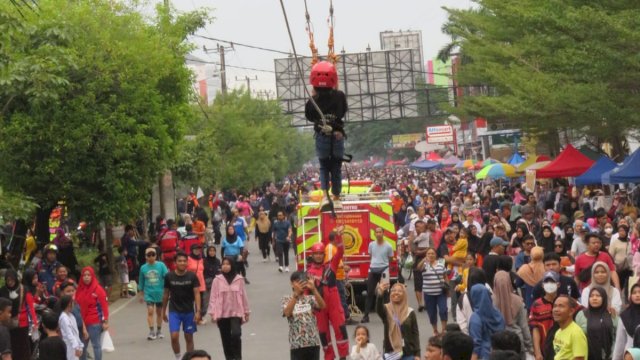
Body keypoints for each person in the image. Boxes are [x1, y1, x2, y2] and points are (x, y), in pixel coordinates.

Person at [305, 61, 348, 209]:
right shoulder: (340, 96)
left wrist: (314, 96)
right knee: (336, 166)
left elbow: (310, 116)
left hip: (322, 136)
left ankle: (325, 196)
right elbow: (343, 112)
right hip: (337, 136)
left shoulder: (313, 101)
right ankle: (336, 198)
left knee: (324, 166)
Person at [307, 228, 350, 360]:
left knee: (340, 330)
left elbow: (340, 251)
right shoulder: (308, 272)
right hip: (319, 308)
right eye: (316, 253)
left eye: (321, 253)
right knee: (324, 335)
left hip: (334, 304)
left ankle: (343, 356)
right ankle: (329, 357)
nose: (319, 256)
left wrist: (339, 238)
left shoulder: (331, 266)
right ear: (312, 255)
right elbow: (305, 293)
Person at [208, 257, 251, 360]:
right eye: (223, 264)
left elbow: (243, 295)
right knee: (225, 338)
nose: (225, 266)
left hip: (236, 312)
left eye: (228, 264)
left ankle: (237, 357)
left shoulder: (239, 279)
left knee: (236, 334)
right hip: (222, 313)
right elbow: (213, 297)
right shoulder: (217, 280)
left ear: (232, 265)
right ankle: (229, 357)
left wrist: (247, 311)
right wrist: (212, 312)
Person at [162, 252, 201, 360]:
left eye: (184, 261)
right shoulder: (169, 276)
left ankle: (189, 358)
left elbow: (197, 293)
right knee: (174, 337)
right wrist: (163, 311)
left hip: (188, 311)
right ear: (175, 263)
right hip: (174, 310)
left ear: (187, 263)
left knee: (189, 337)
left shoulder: (192, 276)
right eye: (180, 261)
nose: (182, 263)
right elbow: (166, 294)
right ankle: (178, 357)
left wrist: (198, 311)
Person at [283, 271, 326, 360]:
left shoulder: (310, 298)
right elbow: (287, 313)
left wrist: (314, 289)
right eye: (298, 282)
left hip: (313, 342)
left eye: (303, 281)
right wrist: (296, 295)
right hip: (297, 344)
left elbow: (322, 306)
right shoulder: (287, 299)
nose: (301, 284)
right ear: (292, 284)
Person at [375, 282, 421, 360]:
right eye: (393, 290)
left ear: (405, 294)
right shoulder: (386, 310)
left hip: (408, 353)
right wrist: (380, 294)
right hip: (391, 353)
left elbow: (415, 335)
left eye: (400, 291)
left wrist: (417, 354)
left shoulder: (410, 312)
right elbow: (378, 308)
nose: (396, 292)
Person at [492, 271, 533, 356]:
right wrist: (530, 346)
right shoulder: (518, 301)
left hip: (497, 345)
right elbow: (524, 326)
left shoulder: (490, 301)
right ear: (509, 282)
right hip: (517, 343)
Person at [361, 227, 394, 323]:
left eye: (380, 232)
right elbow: (371, 256)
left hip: (384, 270)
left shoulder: (388, 246)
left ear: (383, 233)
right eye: (377, 232)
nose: (378, 234)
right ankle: (366, 316)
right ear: (374, 234)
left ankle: (388, 314)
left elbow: (390, 258)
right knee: (370, 293)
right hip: (373, 270)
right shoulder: (371, 245)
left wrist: (384, 264)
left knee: (385, 293)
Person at [75, 266, 109, 360]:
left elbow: (104, 306)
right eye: (84, 275)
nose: (86, 277)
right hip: (82, 322)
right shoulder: (79, 289)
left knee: (96, 345)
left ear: (92, 276)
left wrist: (105, 321)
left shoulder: (98, 289)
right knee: (82, 346)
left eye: (88, 275)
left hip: (94, 322)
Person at [575, 286, 616, 360]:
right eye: (591, 296)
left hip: (609, 356)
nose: (594, 298)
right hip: (587, 356)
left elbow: (616, 336)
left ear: (604, 298)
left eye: (598, 296)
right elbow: (576, 337)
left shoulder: (611, 314)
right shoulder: (581, 315)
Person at [139, 247, 169, 340]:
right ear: (145, 257)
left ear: (156, 256)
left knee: (159, 312)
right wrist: (141, 294)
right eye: (149, 255)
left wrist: (169, 290)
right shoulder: (143, 268)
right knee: (150, 311)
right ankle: (151, 331)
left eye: (153, 255)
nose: (151, 257)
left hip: (160, 292)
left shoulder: (161, 265)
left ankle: (159, 331)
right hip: (149, 293)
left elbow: (167, 277)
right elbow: (141, 281)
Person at [529, 271, 561, 360]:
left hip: (564, 348)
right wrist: (537, 352)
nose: (549, 284)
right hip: (545, 349)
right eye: (547, 282)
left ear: (558, 285)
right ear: (542, 285)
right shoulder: (537, 304)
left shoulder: (565, 301)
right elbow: (535, 329)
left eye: (552, 282)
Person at [469, 284, 505, 360]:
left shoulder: (476, 318)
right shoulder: (497, 313)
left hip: (484, 355)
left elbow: (476, 345)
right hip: (500, 354)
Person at [419, 247, 448, 336]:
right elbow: (418, 268)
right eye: (429, 254)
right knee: (432, 313)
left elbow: (445, 277)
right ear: (426, 255)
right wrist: (424, 260)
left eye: (432, 253)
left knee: (443, 310)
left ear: (436, 255)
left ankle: (444, 330)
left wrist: (448, 288)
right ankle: (435, 330)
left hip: (441, 293)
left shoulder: (441, 264)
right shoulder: (424, 265)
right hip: (428, 293)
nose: (431, 255)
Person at [456, 267, 490, 335]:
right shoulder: (489, 293)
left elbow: (462, 324)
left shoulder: (463, 298)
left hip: (471, 337)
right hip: (489, 337)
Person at [552, 296, 587, 360]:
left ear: (571, 311)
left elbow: (580, 358)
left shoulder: (576, 333)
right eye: (555, 306)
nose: (556, 309)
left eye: (561, 306)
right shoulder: (558, 332)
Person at [613, 284, 640, 360]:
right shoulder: (625, 316)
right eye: (634, 293)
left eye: (639, 292)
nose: (637, 295)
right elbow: (620, 343)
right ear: (630, 296)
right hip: (631, 356)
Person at [59, 294, 83, 360]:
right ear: (69, 304)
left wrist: (79, 345)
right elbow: (69, 334)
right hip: (70, 346)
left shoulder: (70, 315)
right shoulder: (64, 318)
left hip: (74, 345)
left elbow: (76, 333)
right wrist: (76, 347)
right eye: (72, 302)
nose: (74, 304)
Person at [187, 244, 206, 324]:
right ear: (192, 250)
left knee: (200, 302)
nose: (197, 250)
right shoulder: (188, 259)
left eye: (198, 249)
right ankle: (190, 318)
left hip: (200, 283)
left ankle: (199, 318)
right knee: (190, 301)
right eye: (195, 249)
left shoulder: (201, 259)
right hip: (190, 283)